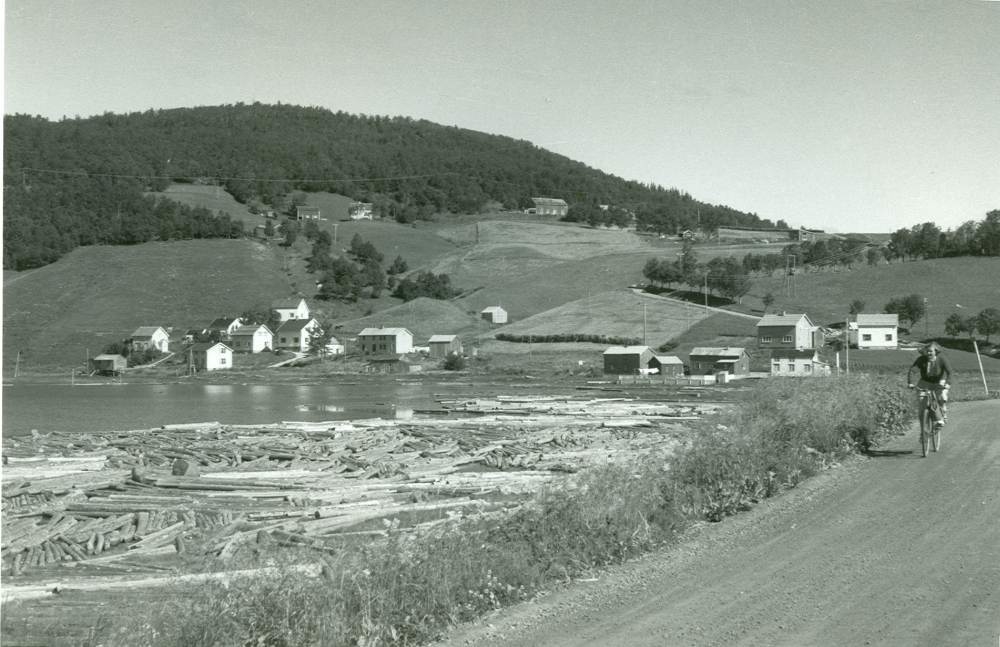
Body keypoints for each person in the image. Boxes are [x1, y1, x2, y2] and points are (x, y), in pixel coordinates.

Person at [907, 342, 952, 427]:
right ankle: (923, 432)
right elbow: (913, 371)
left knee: (941, 397)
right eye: (927, 351)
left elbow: (949, 372)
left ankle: (942, 415)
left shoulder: (942, 359)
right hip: (925, 381)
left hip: (939, 381)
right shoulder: (921, 359)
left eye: (931, 351)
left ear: (936, 351)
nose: (928, 353)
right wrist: (910, 383)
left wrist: (948, 383)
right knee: (921, 406)